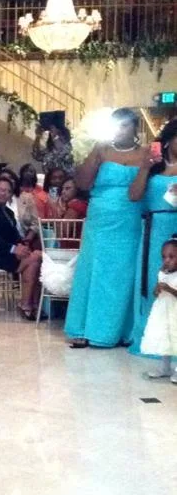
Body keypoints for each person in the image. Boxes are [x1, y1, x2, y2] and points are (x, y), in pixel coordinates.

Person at [65, 108, 145, 348]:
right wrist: (94, 157)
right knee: (94, 270)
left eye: (124, 125)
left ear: (135, 128)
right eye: (116, 125)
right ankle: (86, 328)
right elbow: (83, 183)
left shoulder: (145, 154)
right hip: (101, 218)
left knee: (123, 272)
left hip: (130, 217)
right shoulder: (101, 149)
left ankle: (120, 330)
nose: (119, 130)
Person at [128, 118, 177, 360]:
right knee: (152, 283)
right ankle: (153, 341)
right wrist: (145, 167)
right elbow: (134, 195)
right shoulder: (153, 168)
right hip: (154, 228)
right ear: (168, 141)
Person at [0, 177, 43, 320]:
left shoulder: (8, 212)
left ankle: (28, 305)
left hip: (8, 253)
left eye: (7, 191)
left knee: (34, 260)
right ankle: (29, 304)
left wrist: (21, 247)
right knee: (36, 256)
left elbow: (15, 236)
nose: (3, 193)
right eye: (0, 190)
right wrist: (13, 249)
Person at [139, 239, 177, 382]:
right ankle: (165, 367)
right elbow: (156, 293)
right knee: (165, 338)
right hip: (163, 311)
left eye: (171, 257)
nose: (167, 260)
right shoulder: (162, 273)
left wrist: (168, 288)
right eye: (164, 257)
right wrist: (157, 289)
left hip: (175, 312)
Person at [32, 110, 75, 175]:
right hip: (50, 181)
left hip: (64, 182)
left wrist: (55, 135)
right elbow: (37, 155)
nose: (58, 137)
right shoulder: (49, 150)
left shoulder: (67, 148)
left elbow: (62, 150)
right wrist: (38, 136)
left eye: (60, 135)